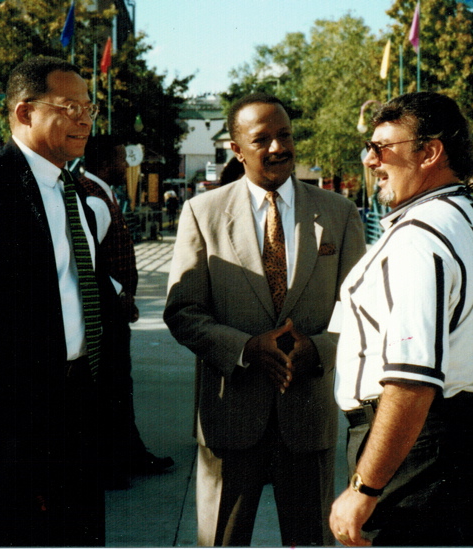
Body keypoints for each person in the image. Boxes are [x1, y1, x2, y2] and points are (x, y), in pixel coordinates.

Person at [0, 56, 129, 547]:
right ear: (24, 112)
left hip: (73, 416)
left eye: (89, 107)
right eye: (69, 106)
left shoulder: (72, 190)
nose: (84, 118)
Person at [164, 92, 366, 546]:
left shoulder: (338, 213)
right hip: (230, 418)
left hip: (309, 414)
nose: (278, 147)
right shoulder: (203, 213)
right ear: (236, 149)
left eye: (285, 135)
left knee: (310, 540)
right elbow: (183, 311)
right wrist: (246, 348)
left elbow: (361, 315)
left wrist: (317, 349)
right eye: (262, 139)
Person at [329, 91, 473, 547]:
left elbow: (411, 381)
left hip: (417, 455)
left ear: (430, 151)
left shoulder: (418, 240)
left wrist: (365, 488)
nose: (370, 161)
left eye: (382, 148)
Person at [79, 135, 173, 485]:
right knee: (113, 385)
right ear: (106, 161)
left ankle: (129, 455)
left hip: (111, 307)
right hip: (105, 311)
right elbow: (89, 260)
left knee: (118, 385)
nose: (126, 165)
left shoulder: (98, 192)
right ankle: (113, 464)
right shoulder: (95, 198)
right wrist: (121, 294)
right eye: (121, 159)